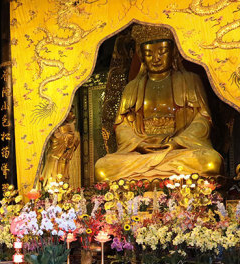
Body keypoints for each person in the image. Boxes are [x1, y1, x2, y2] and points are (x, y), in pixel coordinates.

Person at [94, 27, 223, 181]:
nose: (156, 58)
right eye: (149, 54)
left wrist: (176, 143)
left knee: (210, 161)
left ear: (173, 52)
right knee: (103, 167)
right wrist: (139, 144)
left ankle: (148, 176)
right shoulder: (132, 88)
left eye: (162, 52)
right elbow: (122, 126)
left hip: (178, 150)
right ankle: (161, 174)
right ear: (141, 56)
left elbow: (202, 122)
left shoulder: (190, 80)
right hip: (141, 153)